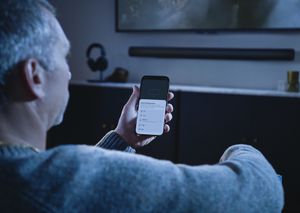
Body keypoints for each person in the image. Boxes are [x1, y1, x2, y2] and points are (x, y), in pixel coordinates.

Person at [0, 0, 284, 212]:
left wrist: (120, 138)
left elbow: (70, 194)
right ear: (35, 76)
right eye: (64, 56)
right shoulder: (61, 178)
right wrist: (243, 149)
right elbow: (259, 193)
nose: (70, 72)